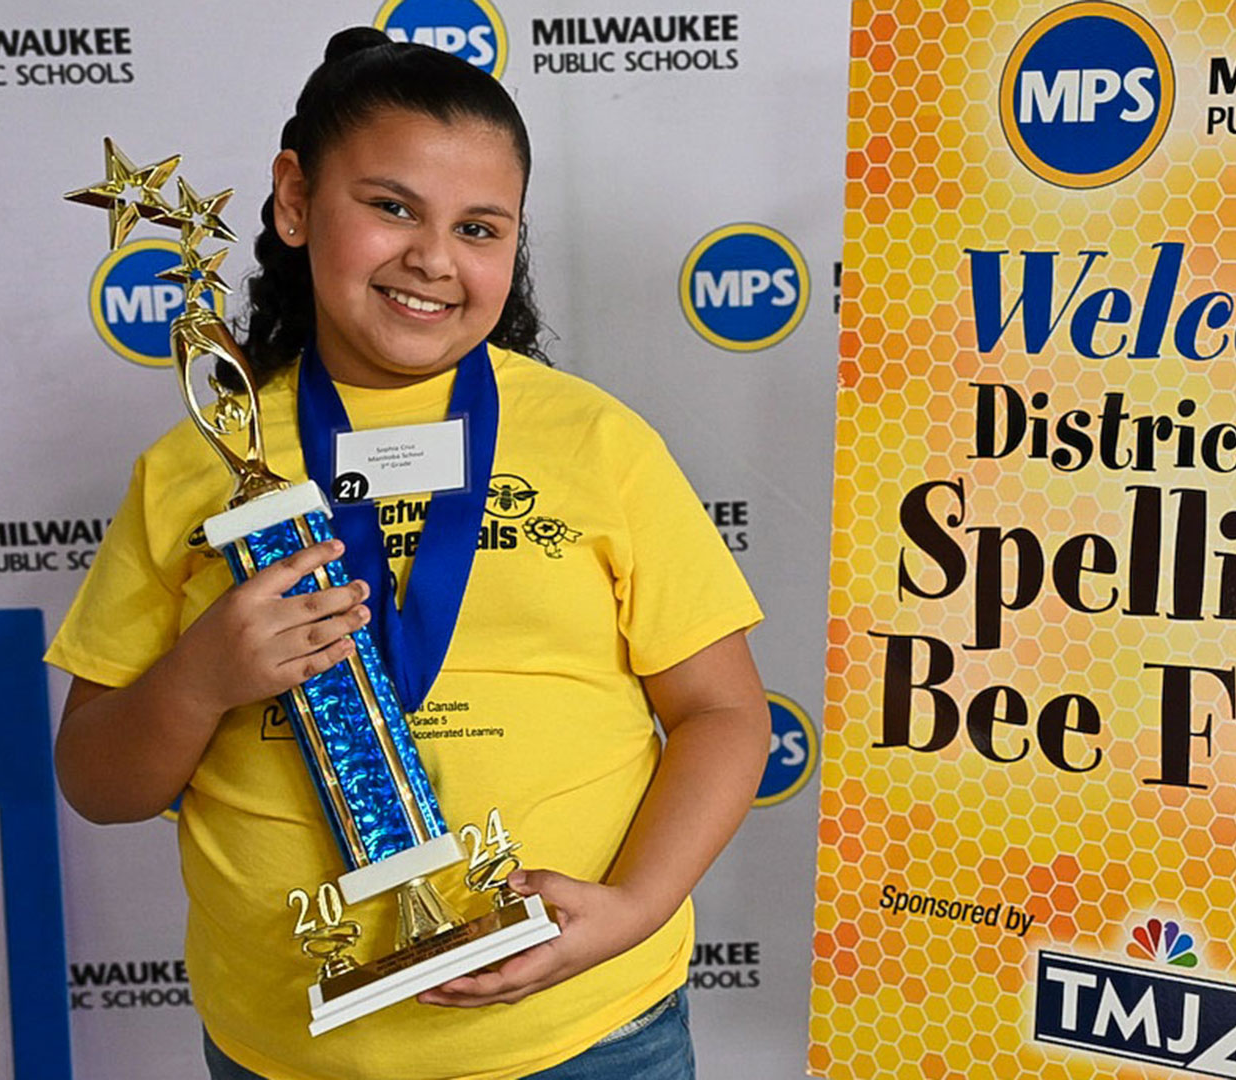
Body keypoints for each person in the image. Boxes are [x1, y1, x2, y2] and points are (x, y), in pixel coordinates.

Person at [46, 27, 768, 1080]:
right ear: (295, 200)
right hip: (290, 1049)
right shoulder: (196, 465)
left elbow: (724, 712)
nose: (433, 257)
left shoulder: (595, 441)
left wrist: (631, 911)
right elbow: (97, 781)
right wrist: (203, 676)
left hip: (588, 1037)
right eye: (390, 207)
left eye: (479, 227)